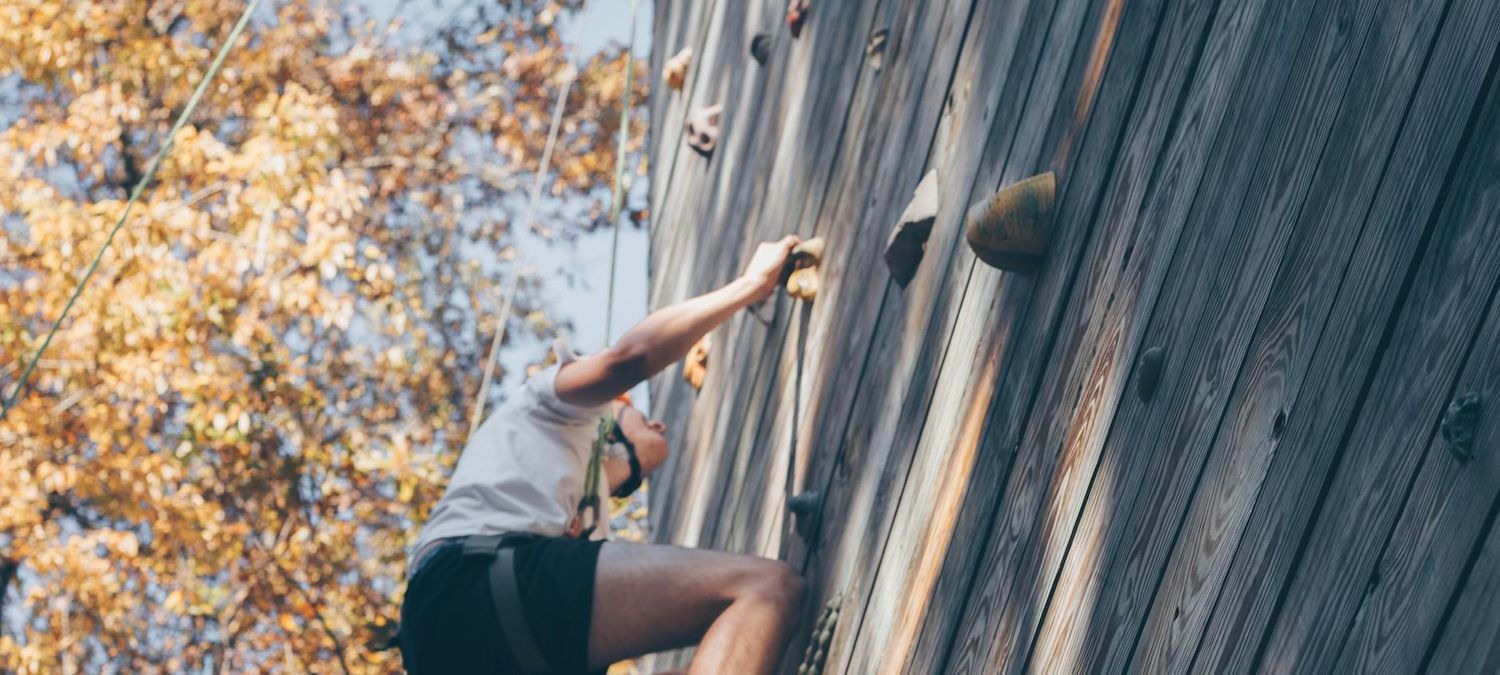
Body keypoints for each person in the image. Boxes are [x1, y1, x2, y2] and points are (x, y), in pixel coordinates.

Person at [398, 236, 808, 675]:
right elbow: (630, 359)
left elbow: (645, 454)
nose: (650, 420)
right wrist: (750, 284)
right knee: (763, 588)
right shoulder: (543, 403)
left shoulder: (567, 490)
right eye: (629, 407)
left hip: (457, 640)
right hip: (472, 587)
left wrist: (636, 440)